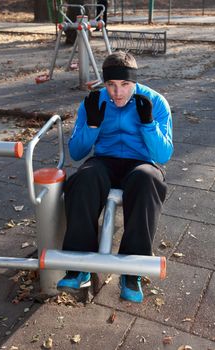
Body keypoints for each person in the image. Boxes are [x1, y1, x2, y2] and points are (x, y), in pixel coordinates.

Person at [57, 51, 173, 303]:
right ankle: (78, 265)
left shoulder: (155, 102)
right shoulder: (94, 101)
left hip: (141, 162)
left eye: (125, 85)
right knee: (83, 179)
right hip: (105, 161)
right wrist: (92, 127)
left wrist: (148, 124)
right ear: (104, 82)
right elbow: (77, 152)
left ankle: (132, 271)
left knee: (147, 180)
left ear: (135, 82)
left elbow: (163, 155)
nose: (117, 93)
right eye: (111, 85)